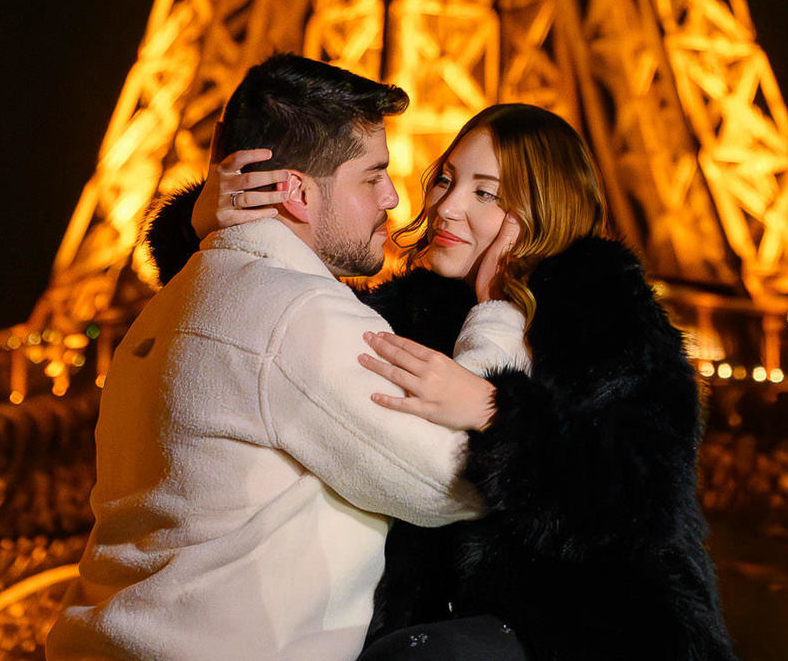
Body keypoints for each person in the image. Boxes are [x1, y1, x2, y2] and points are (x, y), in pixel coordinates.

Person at [152, 100, 739, 661]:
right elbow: (266, 329)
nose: (447, 206)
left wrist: (497, 412)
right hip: (442, 635)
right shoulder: (416, 308)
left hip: (596, 638)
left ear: (542, 209)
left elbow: (639, 502)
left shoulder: (605, 310)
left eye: (486, 193)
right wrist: (201, 229)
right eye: (446, 180)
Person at [47, 55, 525, 661]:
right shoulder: (296, 315)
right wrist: (497, 312)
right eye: (371, 176)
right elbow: (453, 480)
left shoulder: (171, 306)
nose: (394, 196)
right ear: (295, 192)